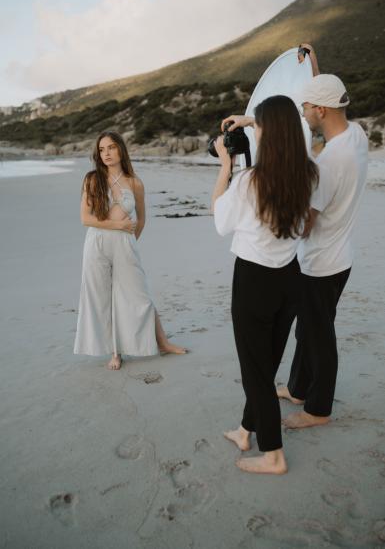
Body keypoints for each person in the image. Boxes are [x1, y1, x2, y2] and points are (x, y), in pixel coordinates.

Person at [212, 95, 319, 474]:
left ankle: (273, 453)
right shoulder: (307, 172)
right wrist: (251, 120)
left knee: (254, 369)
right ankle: (245, 430)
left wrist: (226, 166)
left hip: (254, 280)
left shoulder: (248, 182)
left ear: (267, 134)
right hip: (290, 277)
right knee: (267, 359)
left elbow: (220, 222)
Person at [277, 74, 368, 428]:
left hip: (320, 263)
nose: (303, 116)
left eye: (305, 110)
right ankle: (299, 388)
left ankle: (318, 409)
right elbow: (329, 93)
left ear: (320, 109)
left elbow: (304, 225)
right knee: (309, 329)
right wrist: (312, 65)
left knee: (318, 336)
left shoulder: (328, 164)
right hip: (341, 256)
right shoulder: (356, 135)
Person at [74, 131, 186, 370]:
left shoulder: (135, 182)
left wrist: (128, 241)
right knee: (102, 297)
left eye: (111, 148)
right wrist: (118, 226)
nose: (107, 153)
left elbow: (142, 220)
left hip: (124, 245)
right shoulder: (92, 179)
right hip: (96, 244)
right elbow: (85, 219)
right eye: (102, 149)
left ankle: (163, 343)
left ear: (121, 150)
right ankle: (115, 352)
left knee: (139, 295)